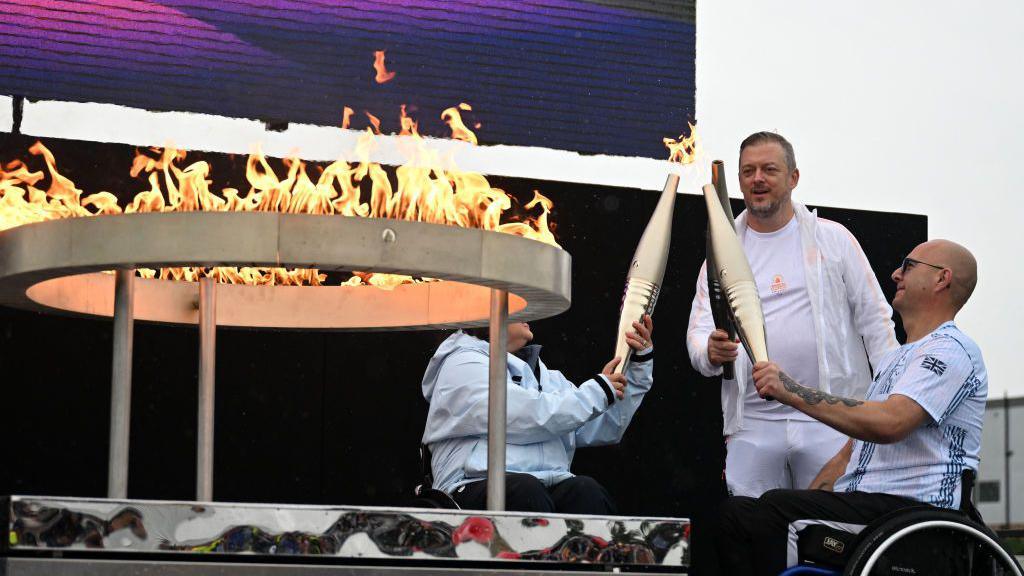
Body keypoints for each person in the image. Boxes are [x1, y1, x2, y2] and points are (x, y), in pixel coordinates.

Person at [714, 239, 985, 576]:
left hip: (917, 517)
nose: (896, 273)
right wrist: (816, 495)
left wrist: (791, 390)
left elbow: (891, 423)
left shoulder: (952, 349)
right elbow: (847, 455)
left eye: (909, 265)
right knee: (741, 513)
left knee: (768, 515)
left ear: (942, 279)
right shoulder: (897, 360)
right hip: (872, 511)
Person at [686, 131, 898, 497]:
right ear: (738, 180)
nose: (758, 179)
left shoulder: (834, 240)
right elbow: (698, 331)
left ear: (793, 178)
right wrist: (710, 350)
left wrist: (889, 406)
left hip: (830, 417)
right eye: (748, 171)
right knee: (754, 531)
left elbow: (876, 323)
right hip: (753, 424)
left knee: (830, 532)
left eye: (769, 169)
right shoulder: (722, 251)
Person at [420, 316, 654, 514]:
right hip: (469, 488)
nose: (528, 311)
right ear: (484, 314)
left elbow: (604, 426)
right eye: (514, 302)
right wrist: (599, 392)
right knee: (525, 492)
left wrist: (635, 366)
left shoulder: (547, 376)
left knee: (585, 491)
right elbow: (522, 416)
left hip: (542, 486)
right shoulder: (462, 363)